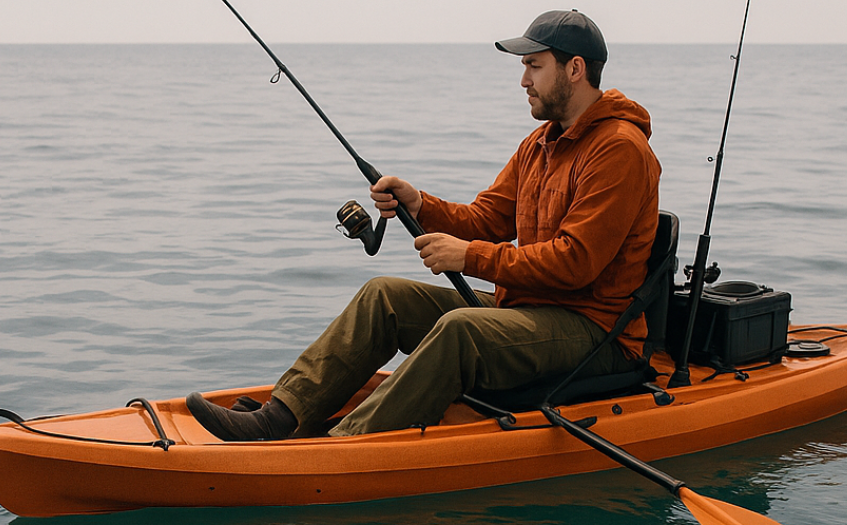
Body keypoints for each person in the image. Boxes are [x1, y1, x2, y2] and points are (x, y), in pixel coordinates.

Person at [187, 9, 661, 442]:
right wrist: (420, 203)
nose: (523, 80)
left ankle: (342, 445)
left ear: (574, 69)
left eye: (534, 66)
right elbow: (487, 219)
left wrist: (467, 256)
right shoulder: (540, 143)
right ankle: (280, 419)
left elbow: (575, 263)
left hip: (595, 332)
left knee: (461, 330)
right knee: (384, 296)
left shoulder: (619, 149)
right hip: (529, 311)